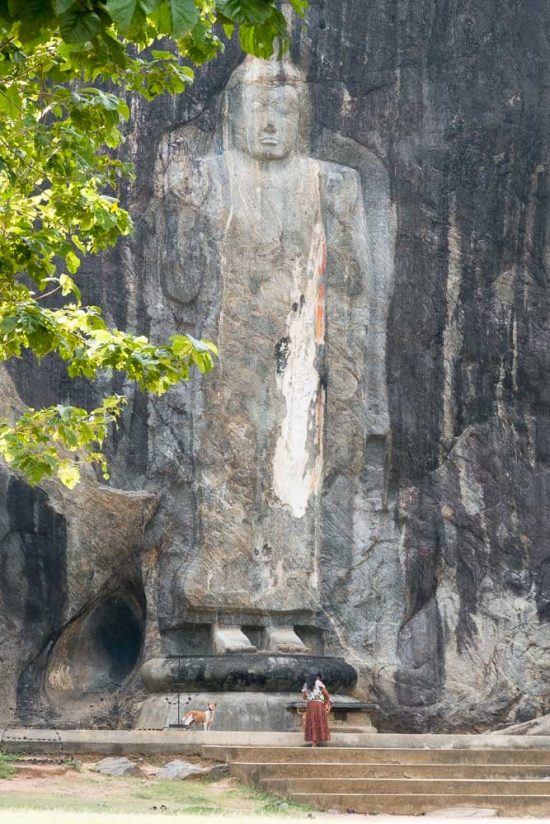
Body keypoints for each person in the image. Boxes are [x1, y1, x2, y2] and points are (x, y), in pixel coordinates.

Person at [302, 672, 331, 746]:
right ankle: (319, 739)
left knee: (312, 721)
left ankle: (313, 741)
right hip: (319, 704)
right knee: (319, 720)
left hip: (310, 704)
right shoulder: (318, 682)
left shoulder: (306, 684)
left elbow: (304, 697)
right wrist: (326, 701)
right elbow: (326, 693)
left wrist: (309, 694)